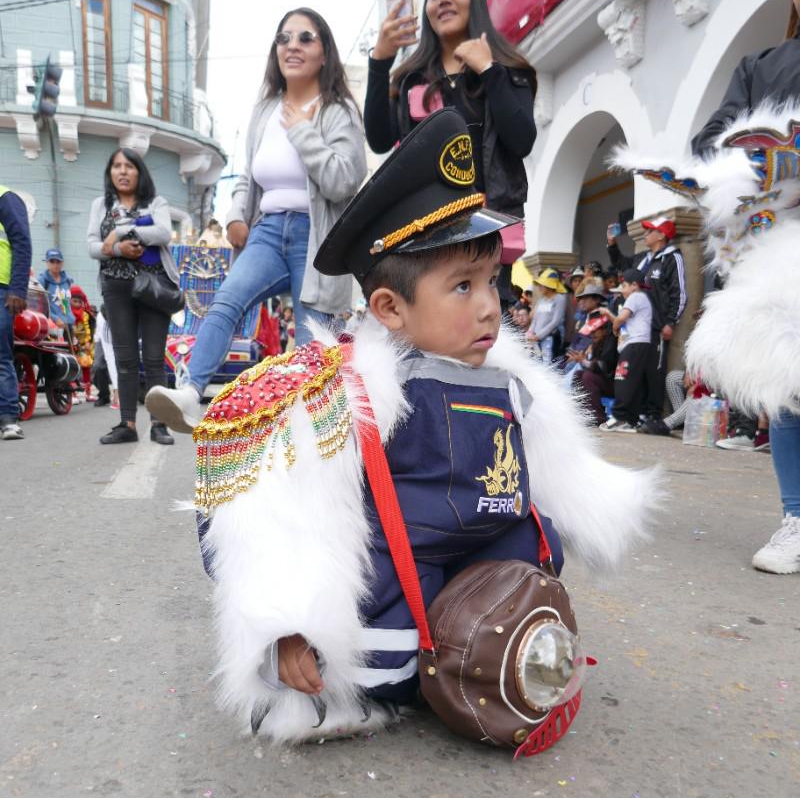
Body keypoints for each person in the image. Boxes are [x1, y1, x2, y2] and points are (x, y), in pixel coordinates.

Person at [191, 109, 658, 742]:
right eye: (462, 286)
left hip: (488, 552)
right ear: (389, 308)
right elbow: (275, 507)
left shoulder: (512, 380)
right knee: (377, 653)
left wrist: (584, 513)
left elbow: (559, 469)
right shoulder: (354, 392)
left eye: (491, 280)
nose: (492, 305)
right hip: (405, 567)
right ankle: (372, 681)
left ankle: (490, 649)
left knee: (535, 544)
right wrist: (285, 621)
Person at [146, 6, 366, 434]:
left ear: (325, 53)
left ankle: (315, 435)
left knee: (311, 342)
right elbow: (249, 176)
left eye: (305, 38)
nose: (292, 46)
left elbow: (344, 181)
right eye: (284, 38)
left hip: (315, 237)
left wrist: (304, 131)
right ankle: (190, 394)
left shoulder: (338, 111)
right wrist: (234, 217)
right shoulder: (265, 109)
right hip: (267, 232)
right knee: (226, 301)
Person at [684, 0, 800, 573]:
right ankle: (798, 516)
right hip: (786, 244)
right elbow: (709, 145)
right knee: (790, 378)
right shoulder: (763, 67)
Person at [363, 0, 537, 308]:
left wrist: (489, 69)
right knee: (431, 327)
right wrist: (380, 62)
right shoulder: (411, 77)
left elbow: (521, 140)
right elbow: (379, 139)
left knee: (484, 327)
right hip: (428, 230)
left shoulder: (508, 69)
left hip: (490, 228)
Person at [87, 147, 178, 445]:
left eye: (129, 166)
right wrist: (117, 248)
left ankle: (158, 424)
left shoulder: (156, 202)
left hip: (153, 286)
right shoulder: (101, 204)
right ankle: (127, 424)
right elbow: (93, 246)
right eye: (116, 166)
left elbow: (164, 232)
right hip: (116, 287)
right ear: (110, 173)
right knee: (125, 358)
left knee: (153, 359)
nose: (122, 172)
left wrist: (125, 229)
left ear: (140, 172)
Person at [606, 217, 686, 419]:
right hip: (637, 327)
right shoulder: (643, 258)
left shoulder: (672, 257)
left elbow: (680, 292)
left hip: (658, 327)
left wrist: (670, 322)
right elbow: (623, 266)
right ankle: (638, 413)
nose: (645, 234)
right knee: (636, 371)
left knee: (654, 371)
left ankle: (653, 413)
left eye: (650, 231)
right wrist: (612, 244)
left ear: (661, 235)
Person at [599, 269, 653, 433]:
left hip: (635, 343)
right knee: (632, 380)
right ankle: (630, 419)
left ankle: (620, 416)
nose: (622, 290)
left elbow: (621, 319)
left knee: (623, 378)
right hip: (638, 344)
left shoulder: (636, 296)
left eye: (624, 285)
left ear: (634, 286)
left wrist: (611, 319)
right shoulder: (641, 298)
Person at [0, 184, 32, 441]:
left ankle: (9, 418)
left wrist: (18, 289)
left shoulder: (6, 197)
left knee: (0, 355)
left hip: (1, 289)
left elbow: (22, 243)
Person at [574, 316, 618, 426]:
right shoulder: (596, 343)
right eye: (591, 331)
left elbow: (604, 367)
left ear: (604, 330)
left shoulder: (611, 341)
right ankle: (581, 413)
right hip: (602, 381)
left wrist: (584, 361)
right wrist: (583, 361)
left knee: (588, 376)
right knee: (578, 374)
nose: (592, 334)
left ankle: (598, 417)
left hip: (615, 384)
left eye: (595, 330)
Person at [526, 268, 567, 362]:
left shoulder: (560, 299)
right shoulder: (541, 300)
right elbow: (535, 319)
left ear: (549, 285)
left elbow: (555, 321)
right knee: (536, 364)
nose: (539, 287)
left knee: (547, 365)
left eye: (542, 285)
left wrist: (538, 336)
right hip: (535, 339)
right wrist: (530, 333)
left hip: (550, 338)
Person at [38, 248, 75, 338]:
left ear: (62, 263)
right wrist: (55, 319)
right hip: (52, 326)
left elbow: (67, 303)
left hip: (68, 325)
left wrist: (71, 320)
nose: (55, 265)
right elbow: (40, 306)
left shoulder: (68, 280)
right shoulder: (42, 281)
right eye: (52, 261)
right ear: (47, 262)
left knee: (70, 352)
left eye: (58, 262)